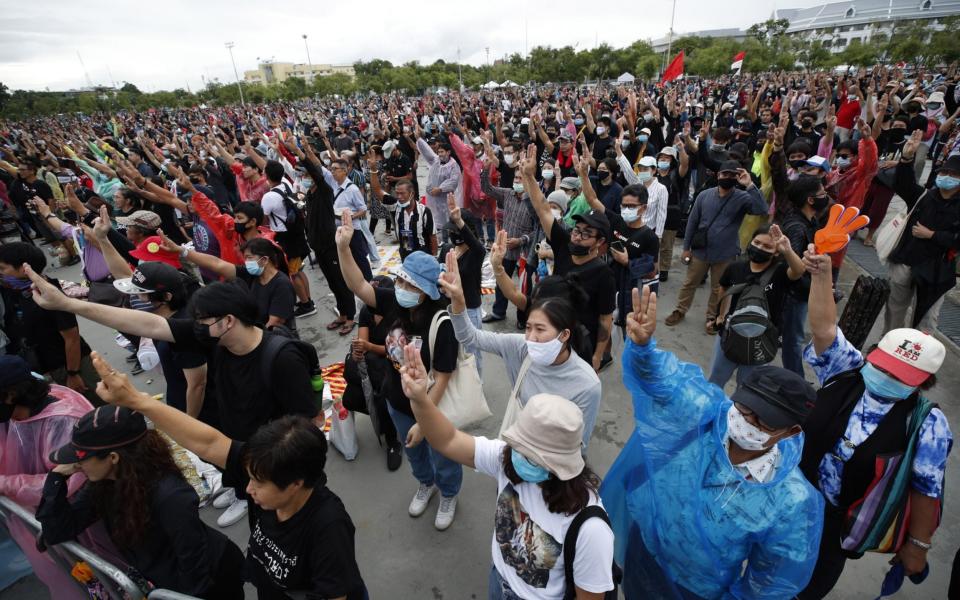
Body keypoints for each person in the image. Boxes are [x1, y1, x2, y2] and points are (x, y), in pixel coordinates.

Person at [21, 267, 318, 528]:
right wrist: (66, 303)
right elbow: (146, 324)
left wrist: (272, 480)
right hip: (242, 462)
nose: (197, 325)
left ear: (228, 320)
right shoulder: (214, 338)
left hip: (275, 471)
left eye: (203, 320)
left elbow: (306, 430)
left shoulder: (282, 359)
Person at [84, 353, 368, 599]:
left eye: (258, 483)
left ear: (295, 484)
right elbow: (208, 443)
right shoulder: (268, 465)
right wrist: (136, 400)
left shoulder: (327, 527)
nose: (248, 489)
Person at [602, 285, 824, 599]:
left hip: (694, 589)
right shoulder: (707, 413)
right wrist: (643, 347)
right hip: (645, 547)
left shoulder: (792, 501)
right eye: (745, 408)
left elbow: (773, 581)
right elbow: (666, 382)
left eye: (763, 420)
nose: (746, 422)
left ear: (790, 432)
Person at [398, 343, 615, 599]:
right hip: (498, 579)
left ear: (561, 464)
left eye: (532, 454)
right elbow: (448, 440)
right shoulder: (507, 458)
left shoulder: (590, 527)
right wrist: (420, 399)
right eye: (519, 444)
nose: (518, 455)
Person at [796, 246, 952, 599]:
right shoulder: (848, 370)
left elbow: (927, 489)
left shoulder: (929, 424)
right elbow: (823, 329)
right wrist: (821, 276)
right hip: (792, 494)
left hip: (838, 523)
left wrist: (918, 544)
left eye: (899, 375)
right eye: (881, 366)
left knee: (808, 587)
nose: (884, 376)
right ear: (872, 354)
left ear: (923, 382)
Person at [335, 212, 463, 530]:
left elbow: (444, 376)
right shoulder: (395, 303)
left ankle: (448, 492)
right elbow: (359, 286)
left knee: (442, 452)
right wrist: (343, 249)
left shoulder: (440, 323)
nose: (401, 286)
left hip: (432, 406)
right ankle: (425, 484)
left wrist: (425, 418)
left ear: (427, 291)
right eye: (400, 279)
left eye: (410, 283)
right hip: (396, 399)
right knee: (414, 452)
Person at [37, 405, 244, 599]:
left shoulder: (169, 494)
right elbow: (58, 530)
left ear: (113, 458)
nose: (76, 464)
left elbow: (193, 563)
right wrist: (56, 479)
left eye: (81, 457)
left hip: (213, 578)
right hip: (171, 580)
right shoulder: (106, 484)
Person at [438, 248, 601, 447]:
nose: (531, 338)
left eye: (541, 329)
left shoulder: (587, 385)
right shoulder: (520, 347)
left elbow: (579, 446)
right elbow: (470, 337)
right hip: (516, 444)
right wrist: (458, 300)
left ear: (565, 334)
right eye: (529, 328)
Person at [0, 356, 95, 600]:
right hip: (47, 523)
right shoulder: (16, 415)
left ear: (10, 395)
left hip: (82, 526)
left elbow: (66, 482)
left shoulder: (64, 420)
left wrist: (5, 484)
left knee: (95, 580)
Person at [520, 146, 615, 372]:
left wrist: (598, 355)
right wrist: (530, 177)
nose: (578, 237)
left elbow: (605, 320)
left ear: (600, 243)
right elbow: (543, 209)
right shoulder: (563, 244)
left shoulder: (603, 274)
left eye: (586, 234)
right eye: (576, 230)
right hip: (551, 337)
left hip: (580, 345)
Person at [665, 160, 767, 334]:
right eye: (724, 174)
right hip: (700, 251)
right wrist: (686, 248)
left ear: (737, 177)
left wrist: (749, 184)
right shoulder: (704, 195)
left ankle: (712, 316)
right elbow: (692, 222)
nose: (727, 177)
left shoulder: (742, 198)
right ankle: (680, 310)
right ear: (718, 175)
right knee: (690, 282)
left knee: (719, 287)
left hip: (725, 253)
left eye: (732, 175)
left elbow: (761, 209)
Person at [0, 243, 99, 402]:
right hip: (44, 368)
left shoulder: (49, 293)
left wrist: (73, 374)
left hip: (71, 365)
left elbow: (71, 338)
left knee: (97, 405)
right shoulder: (13, 291)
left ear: (23, 269)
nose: (1, 274)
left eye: (3, 268)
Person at [708, 224, 805, 387]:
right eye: (757, 243)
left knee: (747, 387)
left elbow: (799, 270)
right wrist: (720, 314)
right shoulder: (736, 267)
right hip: (730, 335)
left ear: (776, 252)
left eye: (767, 246)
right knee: (715, 381)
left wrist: (787, 249)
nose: (760, 248)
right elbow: (723, 287)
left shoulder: (780, 273)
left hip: (761, 342)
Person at [885, 134, 960, 332]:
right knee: (895, 310)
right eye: (945, 172)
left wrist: (932, 235)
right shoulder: (924, 196)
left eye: (954, 175)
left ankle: (915, 359)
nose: (947, 177)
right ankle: (887, 347)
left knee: (927, 320)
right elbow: (904, 185)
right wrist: (906, 159)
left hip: (936, 270)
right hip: (905, 261)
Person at [158, 232, 297, 331]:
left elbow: (275, 322)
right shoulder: (251, 275)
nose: (246, 262)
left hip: (276, 342)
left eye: (249, 257)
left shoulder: (281, 284)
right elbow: (216, 264)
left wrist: (250, 341)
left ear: (265, 260)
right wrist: (181, 251)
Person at [342, 276, 403, 471]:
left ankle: (393, 441)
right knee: (351, 396)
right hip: (373, 362)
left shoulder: (397, 313)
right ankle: (381, 417)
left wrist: (368, 347)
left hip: (394, 361)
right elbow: (363, 340)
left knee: (382, 395)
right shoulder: (366, 311)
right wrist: (360, 349)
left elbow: (394, 350)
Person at [480, 161, 535, 326]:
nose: (517, 181)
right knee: (501, 283)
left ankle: (523, 318)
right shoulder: (507, 194)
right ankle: (498, 312)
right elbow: (487, 189)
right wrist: (485, 169)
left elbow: (538, 230)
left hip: (524, 253)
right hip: (506, 250)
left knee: (524, 287)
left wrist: (520, 240)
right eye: (516, 178)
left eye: (521, 178)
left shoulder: (533, 200)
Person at [259, 160, 316, 318]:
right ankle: (308, 300)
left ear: (267, 176)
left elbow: (263, 220)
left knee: (293, 273)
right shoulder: (286, 184)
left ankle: (306, 304)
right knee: (299, 269)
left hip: (284, 237)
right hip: (296, 233)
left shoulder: (269, 197)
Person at [367, 152, 436, 261]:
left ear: (412, 193)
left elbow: (433, 236)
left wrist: (434, 258)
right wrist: (373, 170)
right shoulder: (395, 205)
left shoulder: (424, 211)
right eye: (397, 193)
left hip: (423, 253)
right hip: (405, 250)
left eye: (402, 193)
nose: (399, 197)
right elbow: (377, 190)